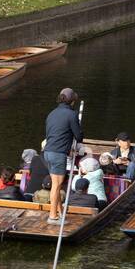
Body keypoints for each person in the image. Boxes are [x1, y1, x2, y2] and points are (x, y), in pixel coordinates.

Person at [43, 88, 82, 223]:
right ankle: (52, 216)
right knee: (56, 186)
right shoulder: (72, 115)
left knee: (56, 185)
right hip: (58, 154)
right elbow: (79, 136)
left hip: (47, 152)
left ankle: (60, 213)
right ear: (72, 101)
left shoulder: (51, 113)